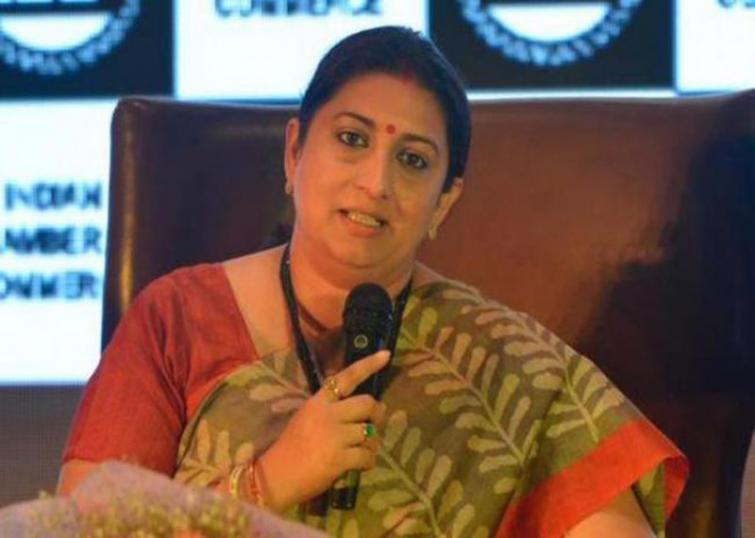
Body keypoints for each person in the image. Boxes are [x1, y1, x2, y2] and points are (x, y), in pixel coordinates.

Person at [58, 26, 688, 537]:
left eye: (412, 160)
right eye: (352, 139)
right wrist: (268, 483)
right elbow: (81, 531)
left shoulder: (509, 361)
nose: (376, 183)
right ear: (294, 152)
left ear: (444, 201)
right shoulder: (178, 320)